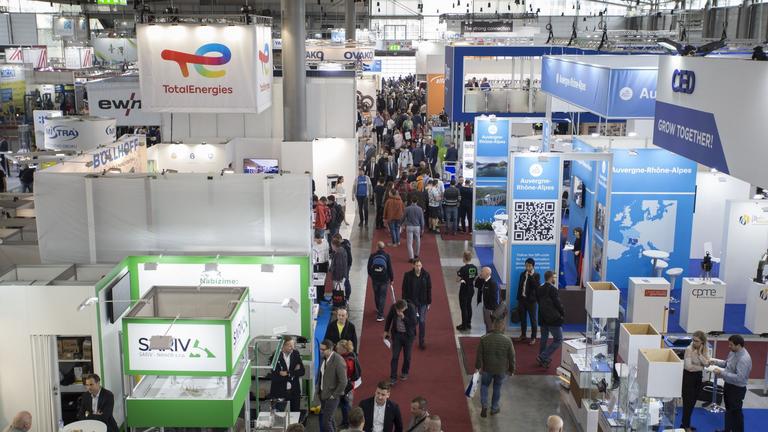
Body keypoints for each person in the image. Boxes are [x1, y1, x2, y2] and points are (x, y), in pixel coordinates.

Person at [710, 334, 752, 432]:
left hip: (737, 389)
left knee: (736, 413)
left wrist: (721, 373)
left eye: (731, 345)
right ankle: (727, 430)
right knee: (728, 410)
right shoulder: (733, 352)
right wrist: (715, 362)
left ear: (739, 345)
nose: (729, 346)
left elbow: (740, 378)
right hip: (728, 385)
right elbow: (726, 363)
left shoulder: (744, 359)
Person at [475, 318, 516, 418]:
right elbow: (512, 357)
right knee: (497, 387)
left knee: (484, 385)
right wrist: (512, 370)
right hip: (501, 370)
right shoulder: (508, 340)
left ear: (493, 326)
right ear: (503, 327)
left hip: (487, 369)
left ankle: (484, 405)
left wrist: (478, 367)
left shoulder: (484, 339)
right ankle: (494, 408)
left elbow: (479, 355)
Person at [680, 330, 710, 432]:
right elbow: (688, 367)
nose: (694, 342)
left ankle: (685, 424)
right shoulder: (689, 349)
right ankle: (686, 426)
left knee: (693, 402)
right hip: (688, 378)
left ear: (702, 342)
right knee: (688, 403)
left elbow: (707, 363)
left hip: (698, 377)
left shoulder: (704, 349)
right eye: (693, 340)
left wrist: (699, 354)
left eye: (697, 341)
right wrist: (701, 367)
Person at [317, 339, 349, 432]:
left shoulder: (338, 360)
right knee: (330, 419)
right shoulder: (324, 358)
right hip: (323, 394)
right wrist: (319, 391)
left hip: (332, 396)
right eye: (320, 349)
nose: (321, 351)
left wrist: (334, 395)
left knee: (326, 421)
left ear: (330, 349)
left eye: (323, 349)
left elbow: (343, 381)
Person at [384, 299, 418, 385]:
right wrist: (386, 330)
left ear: (405, 308)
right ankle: (393, 377)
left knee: (407, 357)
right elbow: (389, 319)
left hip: (408, 336)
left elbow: (414, 323)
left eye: (400, 310)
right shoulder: (394, 307)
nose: (398, 312)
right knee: (394, 357)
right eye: (397, 310)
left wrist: (403, 317)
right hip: (397, 335)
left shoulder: (411, 309)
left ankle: (405, 372)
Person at [536, 271, 565, 368]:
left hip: (542, 317)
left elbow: (538, 302)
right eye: (554, 277)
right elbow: (558, 304)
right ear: (551, 278)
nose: (555, 279)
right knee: (559, 339)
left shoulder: (539, 288)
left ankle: (542, 360)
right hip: (553, 319)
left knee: (544, 339)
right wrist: (562, 313)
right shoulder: (553, 289)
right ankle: (543, 356)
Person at [269, 336, 306, 412]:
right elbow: (275, 375)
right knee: (278, 414)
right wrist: (294, 372)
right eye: (290, 346)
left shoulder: (295, 354)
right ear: (283, 346)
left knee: (295, 413)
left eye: (293, 345)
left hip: (294, 390)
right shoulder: (276, 356)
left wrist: (288, 373)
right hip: (279, 391)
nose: (292, 348)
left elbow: (302, 371)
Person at [401, 259, 432, 350]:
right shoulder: (407, 275)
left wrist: (429, 302)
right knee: (413, 320)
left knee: (422, 321)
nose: (419, 267)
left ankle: (421, 341)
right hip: (411, 302)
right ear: (413, 266)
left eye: (420, 265)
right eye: (417, 265)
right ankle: (413, 333)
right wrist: (404, 302)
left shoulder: (426, 275)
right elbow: (404, 289)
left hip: (423, 302)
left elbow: (429, 288)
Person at [368, 241, 395, 321]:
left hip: (375, 279)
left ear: (377, 247)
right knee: (382, 296)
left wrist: (372, 276)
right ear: (383, 248)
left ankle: (378, 308)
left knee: (376, 294)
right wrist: (392, 279)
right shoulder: (387, 256)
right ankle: (380, 315)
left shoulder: (372, 256)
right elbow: (390, 268)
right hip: (384, 279)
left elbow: (369, 268)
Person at [516, 258, 540, 345]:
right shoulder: (522, 274)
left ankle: (533, 337)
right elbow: (520, 287)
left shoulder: (536, 275)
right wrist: (518, 298)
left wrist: (530, 276)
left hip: (532, 301)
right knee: (523, 319)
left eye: (529, 266)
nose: (527, 267)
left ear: (533, 266)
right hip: (522, 300)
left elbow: (536, 287)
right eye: (526, 266)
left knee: (533, 320)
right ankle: (523, 335)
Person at [337, 340, 360, 429]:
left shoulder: (347, 360)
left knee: (346, 404)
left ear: (344, 349)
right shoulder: (350, 356)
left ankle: (348, 423)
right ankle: (346, 421)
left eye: (338, 348)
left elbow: (346, 374)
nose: (337, 349)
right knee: (345, 404)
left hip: (347, 386)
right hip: (349, 384)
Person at [456, 250, 478, 331]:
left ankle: (464, 325)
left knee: (463, 307)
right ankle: (468, 323)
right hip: (471, 289)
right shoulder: (474, 267)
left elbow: (457, 280)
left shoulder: (463, 269)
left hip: (464, 289)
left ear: (464, 258)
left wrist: (462, 278)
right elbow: (475, 278)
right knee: (469, 305)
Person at [475, 266, 501, 333]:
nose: (481, 273)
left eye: (482, 271)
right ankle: (487, 335)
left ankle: (490, 337)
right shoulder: (483, 280)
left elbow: (494, 298)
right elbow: (476, 285)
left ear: (487, 274)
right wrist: (479, 277)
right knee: (486, 323)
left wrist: (491, 310)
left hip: (490, 308)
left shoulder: (493, 283)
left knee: (490, 325)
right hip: (485, 306)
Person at [403, 197, 424, 262]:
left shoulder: (407, 208)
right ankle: (416, 254)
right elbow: (422, 219)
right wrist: (422, 228)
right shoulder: (420, 209)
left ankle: (411, 257)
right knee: (418, 241)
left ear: (411, 200)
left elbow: (403, 217)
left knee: (409, 243)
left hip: (409, 227)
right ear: (417, 201)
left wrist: (400, 224)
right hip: (417, 227)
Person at [331, 237, 350, 304]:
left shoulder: (339, 253)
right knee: (341, 291)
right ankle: (340, 303)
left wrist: (339, 279)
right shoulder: (342, 250)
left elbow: (339, 267)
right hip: (342, 276)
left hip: (338, 277)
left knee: (338, 292)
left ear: (334, 245)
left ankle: (339, 304)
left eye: (332, 245)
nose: (331, 247)